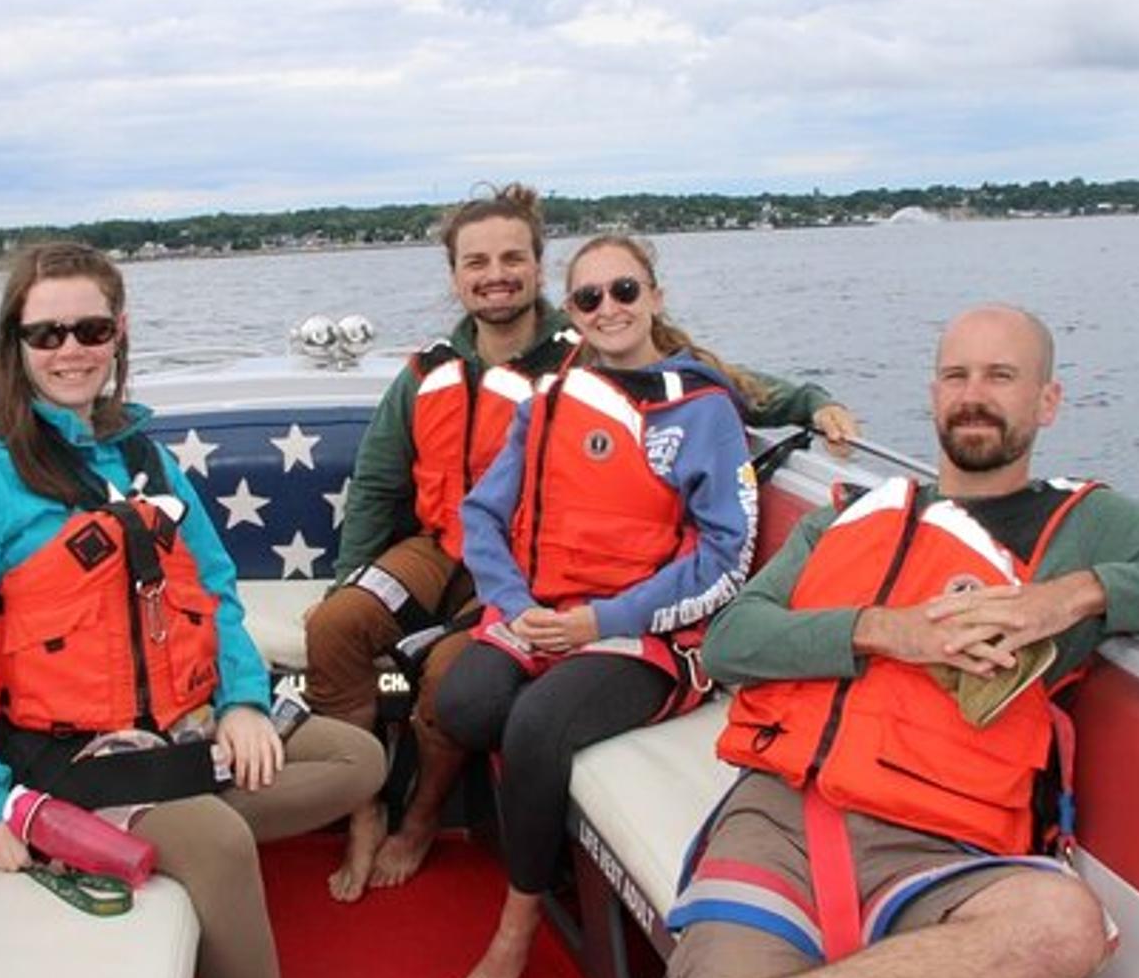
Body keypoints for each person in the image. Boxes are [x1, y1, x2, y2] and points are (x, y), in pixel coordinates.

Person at [521, 303, 1139, 978]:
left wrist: (1075, 595)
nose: (976, 397)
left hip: (947, 849)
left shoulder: (1087, 526)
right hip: (784, 821)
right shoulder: (845, 519)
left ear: (1047, 402)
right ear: (933, 393)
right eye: (958, 376)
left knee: (1062, 928)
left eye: (1001, 378)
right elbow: (738, 640)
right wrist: (887, 632)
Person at [0, 241, 397, 978]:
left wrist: (242, 702)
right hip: (52, 758)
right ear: (15, 342)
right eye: (46, 331)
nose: (70, 348)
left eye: (90, 328)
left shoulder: (142, 454)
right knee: (215, 840)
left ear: (117, 332)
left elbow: (210, 587)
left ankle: (173, 801)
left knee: (356, 760)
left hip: (174, 726)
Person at [308, 185, 859, 900]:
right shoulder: (425, 371)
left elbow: (710, 377)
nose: (495, 273)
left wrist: (810, 400)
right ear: (454, 276)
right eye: (476, 261)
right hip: (442, 544)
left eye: (513, 257)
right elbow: (380, 482)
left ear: (539, 269)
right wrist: (353, 576)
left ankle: (419, 820)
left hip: (531, 568)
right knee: (333, 628)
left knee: (451, 678)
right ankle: (362, 811)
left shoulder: (588, 353)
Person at [433, 234, 769, 978]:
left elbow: (727, 557)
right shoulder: (551, 397)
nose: (608, 308)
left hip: (651, 632)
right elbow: (482, 512)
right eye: (589, 298)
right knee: (464, 701)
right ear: (572, 312)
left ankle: (517, 924)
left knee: (537, 725)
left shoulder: (699, 408)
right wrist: (516, 609)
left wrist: (599, 621)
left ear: (654, 294)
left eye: (624, 290)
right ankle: (542, 844)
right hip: (544, 613)